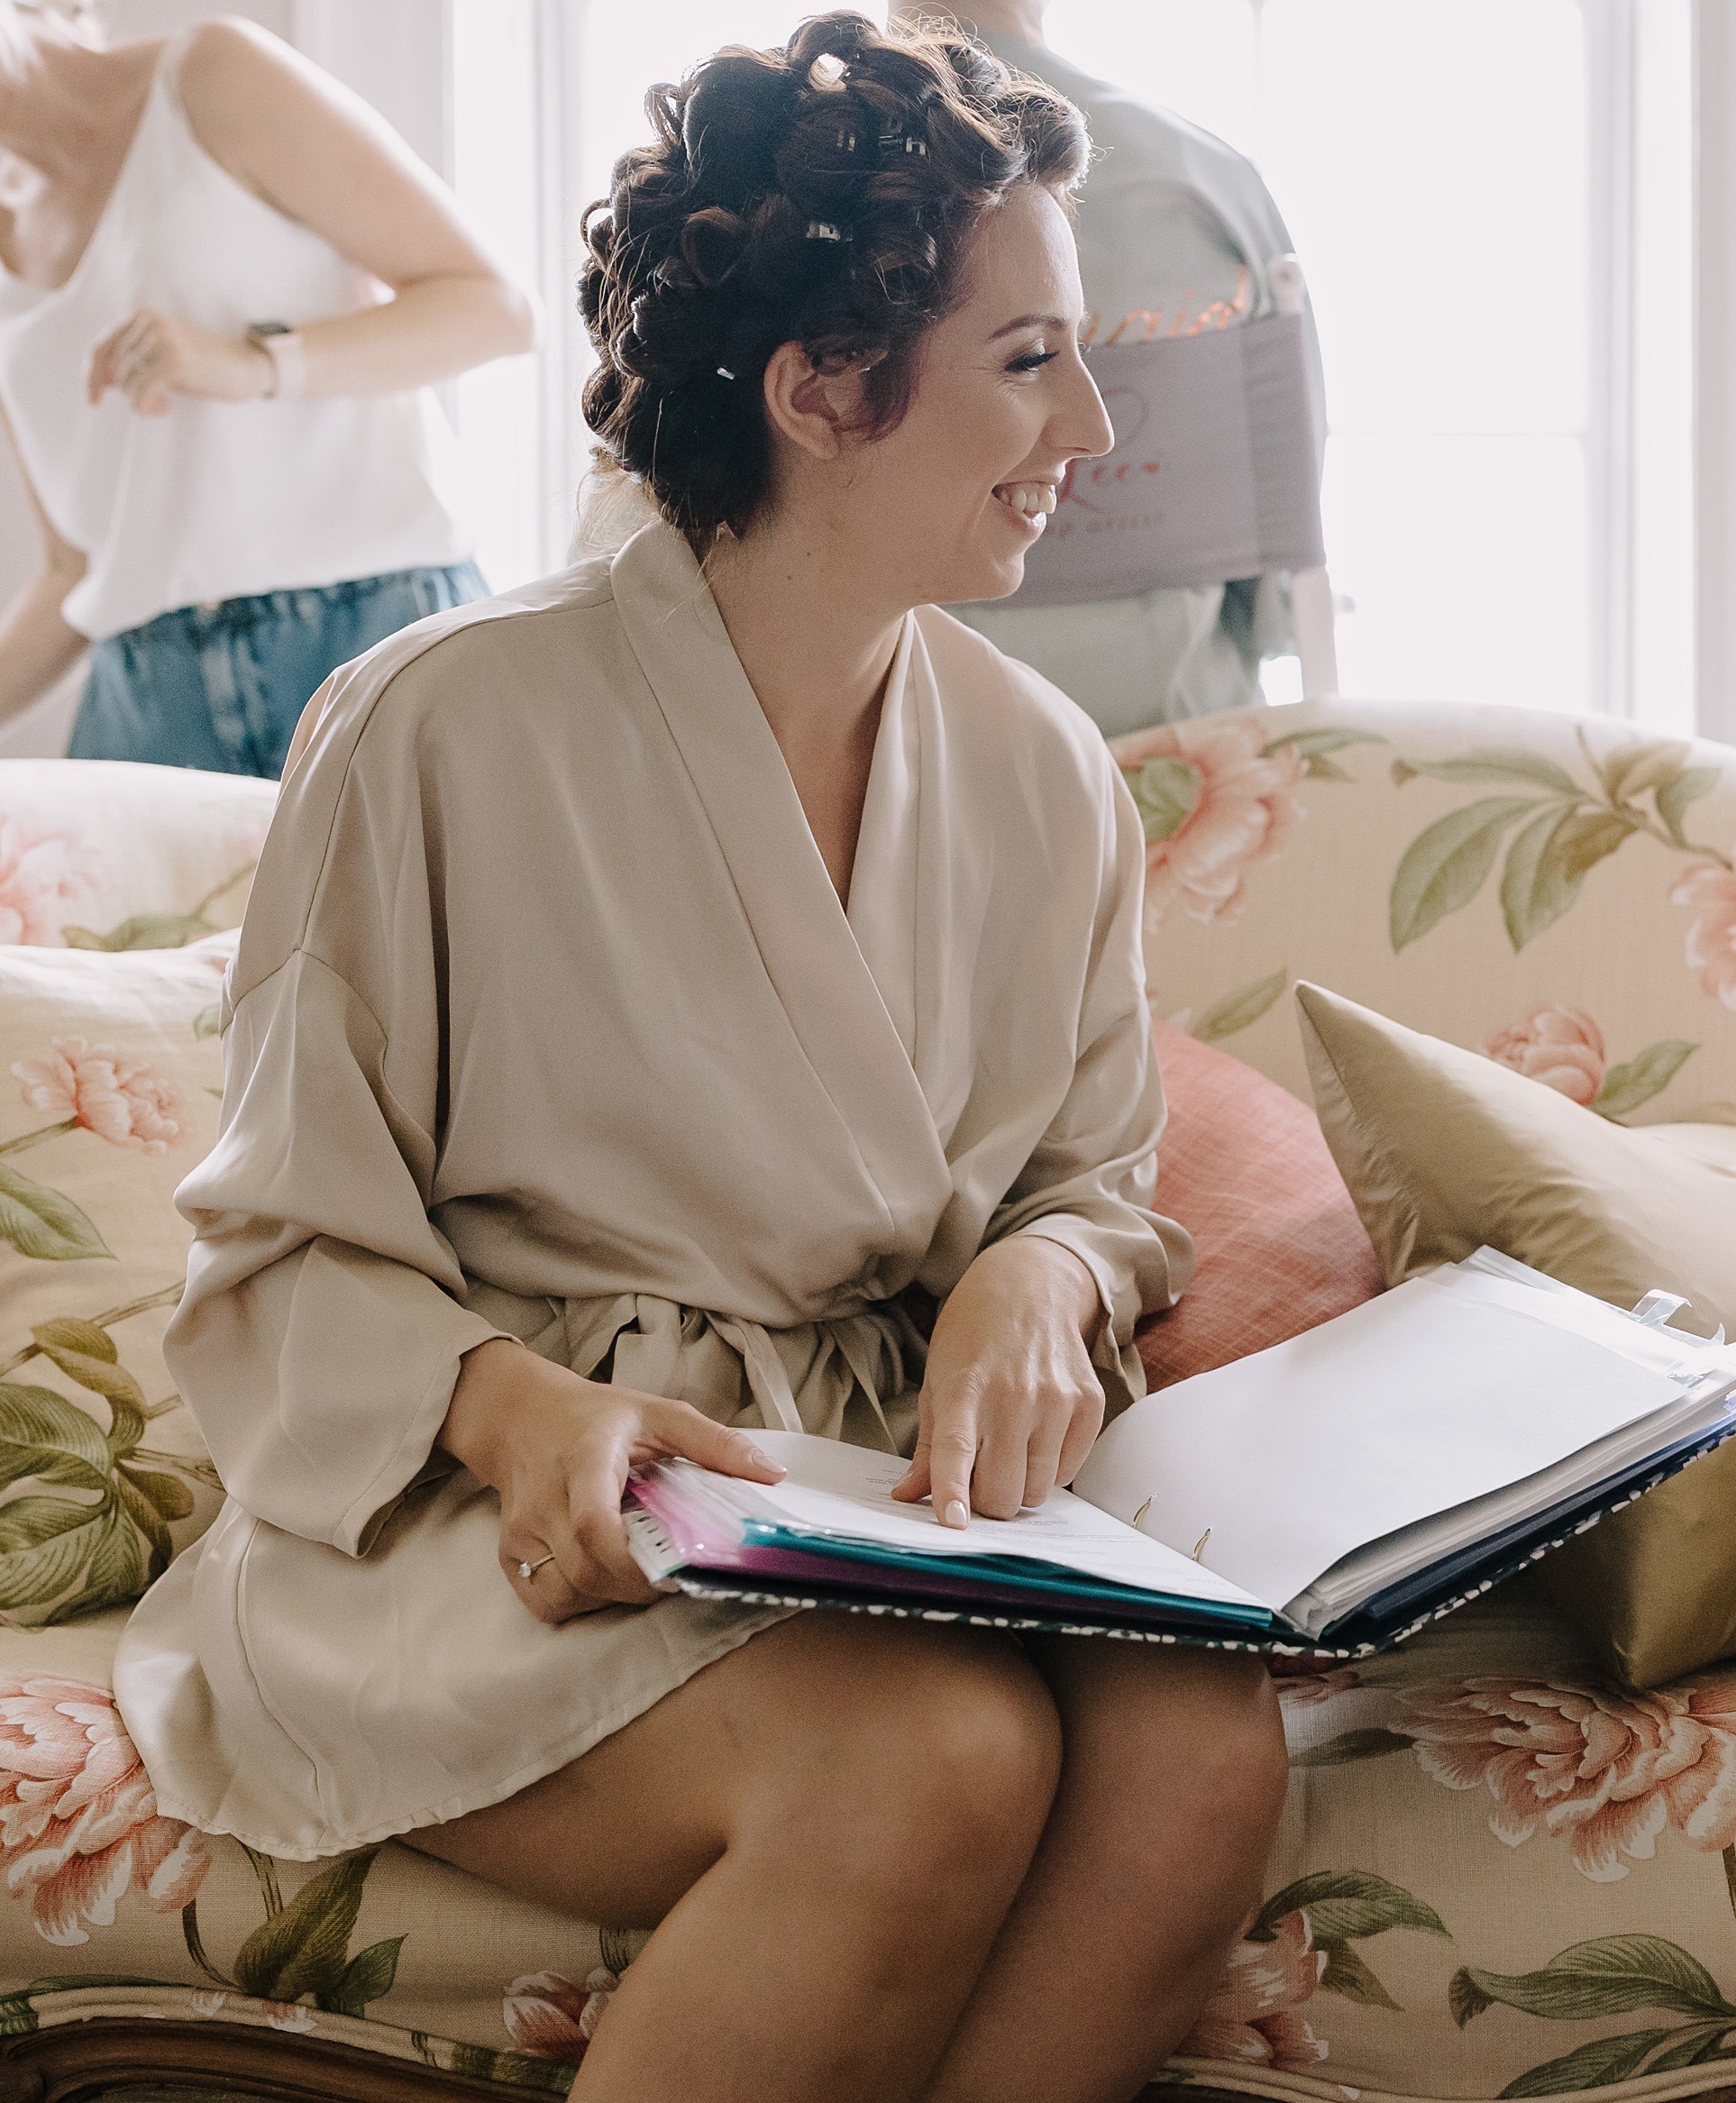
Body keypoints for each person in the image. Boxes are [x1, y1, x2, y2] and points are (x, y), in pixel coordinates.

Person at [110, 19, 1286, 2103]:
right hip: (489, 1524)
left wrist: (1044, 1273)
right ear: (824, 390)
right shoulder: (433, 735)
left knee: (1201, 1752)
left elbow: (1095, 1189)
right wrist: (512, 1412)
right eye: (1030, 360)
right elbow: (278, 1258)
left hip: (872, 1507)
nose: (1094, 422)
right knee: (937, 1757)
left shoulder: (1042, 779)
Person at [0, 1, 526, 776]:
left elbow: (497, 308)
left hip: (371, 642)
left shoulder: (211, 80)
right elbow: (74, 568)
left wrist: (255, 363)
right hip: (148, 705)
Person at [898, 0, 1332, 734]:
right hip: (1186, 734)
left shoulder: (814, 185)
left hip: (912, 731)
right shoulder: (1205, 178)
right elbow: (1281, 500)